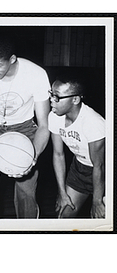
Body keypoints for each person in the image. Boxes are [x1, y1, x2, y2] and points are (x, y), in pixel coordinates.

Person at [0, 36, 50, 218]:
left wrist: (32, 157)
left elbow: (44, 125)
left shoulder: (36, 74)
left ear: (12, 59)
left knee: (27, 193)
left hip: (25, 129)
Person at [48, 75, 105, 218]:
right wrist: (62, 192)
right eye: (51, 94)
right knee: (63, 215)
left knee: (101, 221)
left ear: (75, 99)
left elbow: (99, 165)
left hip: (105, 172)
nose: (51, 100)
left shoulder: (93, 122)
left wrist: (97, 201)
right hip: (79, 168)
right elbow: (58, 154)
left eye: (57, 97)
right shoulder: (54, 116)